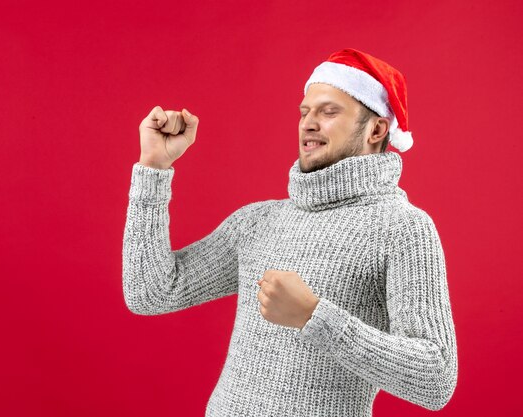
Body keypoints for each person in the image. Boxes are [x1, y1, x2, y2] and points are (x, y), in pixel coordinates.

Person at [122, 48, 458, 416]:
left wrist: (315, 316)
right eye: (304, 112)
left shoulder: (402, 229)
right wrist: (153, 168)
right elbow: (151, 292)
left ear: (376, 129)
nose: (308, 123)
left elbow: (436, 376)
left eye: (329, 111)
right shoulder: (258, 221)